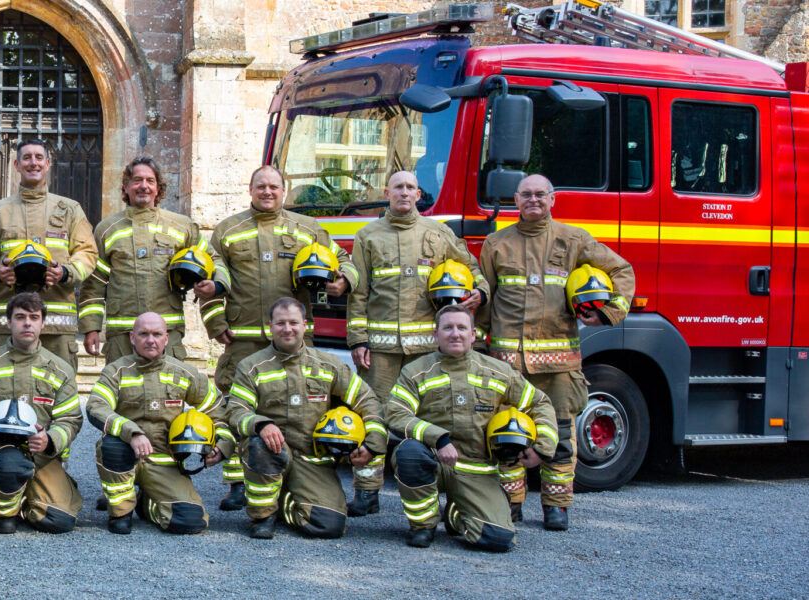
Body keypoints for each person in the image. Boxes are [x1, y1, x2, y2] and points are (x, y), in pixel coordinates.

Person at [476, 174, 635, 531]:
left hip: (559, 366)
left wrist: (608, 312)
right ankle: (510, 504)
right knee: (505, 437)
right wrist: (477, 348)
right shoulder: (496, 243)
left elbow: (622, 271)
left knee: (561, 439)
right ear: (516, 200)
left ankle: (557, 506)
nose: (533, 200)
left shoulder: (574, 240)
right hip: (507, 365)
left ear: (552, 199)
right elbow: (485, 302)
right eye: (526, 195)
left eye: (540, 194)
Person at [201, 165, 359, 511]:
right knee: (236, 406)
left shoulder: (307, 229)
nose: (267, 192)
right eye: (261, 186)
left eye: (274, 186)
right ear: (250, 189)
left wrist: (343, 281)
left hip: (295, 342)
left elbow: (344, 261)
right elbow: (211, 280)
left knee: (300, 406)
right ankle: (238, 483)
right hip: (242, 340)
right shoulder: (228, 231)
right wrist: (216, 326)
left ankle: (296, 476)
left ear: (283, 191)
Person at [344, 170, 486, 516]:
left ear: (418, 193)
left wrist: (480, 292)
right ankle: (367, 490)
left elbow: (471, 267)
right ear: (386, 192)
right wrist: (357, 339)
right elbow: (359, 293)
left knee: (432, 416)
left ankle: (440, 491)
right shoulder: (368, 235)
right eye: (398, 187)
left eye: (410, 187)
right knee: (372, 416)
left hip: (426, 351)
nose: (404, 193)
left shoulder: (438, 233)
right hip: (380, 350)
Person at [389, 305, 558, 551]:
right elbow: (395, 412)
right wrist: (438, 439)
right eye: (447, 328)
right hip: (434, 460)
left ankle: (456, 515)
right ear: (436, 335)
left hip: (477, 470)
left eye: (461, 328)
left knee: (498, 539)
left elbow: (539, 403)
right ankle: (423, 525)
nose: (455, 334)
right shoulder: (416, 372)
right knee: (409, 453)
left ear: (473, 334)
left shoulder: (498, 372)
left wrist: (543, 447)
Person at [224, 297, 385, 539]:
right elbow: (236, 410)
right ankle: (263, 515)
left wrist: (373, 442)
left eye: (293, 322)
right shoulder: (252, 366)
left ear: (305, 325)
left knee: (329, 526)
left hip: (313, 460)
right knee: (260, 444)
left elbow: (367, 401)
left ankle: (285, 502)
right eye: (280, 323)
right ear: (270, 326)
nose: (287, 329)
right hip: (274, 451)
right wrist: (261, 424)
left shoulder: (329, 365)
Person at [85, 312, 233, 534]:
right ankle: (121, 512)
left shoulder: (184, 373)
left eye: (157, 334)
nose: (150, 340)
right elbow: (96, 406)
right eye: (143, 334)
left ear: (167, 339)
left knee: (191, 522)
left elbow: (218, 410)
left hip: (165, 463)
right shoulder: (116, 372)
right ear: (132, 338)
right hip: (127, 456)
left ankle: (147, 504)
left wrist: (222, 446)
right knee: (112, 446)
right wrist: (132, 433)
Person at [0, 292, 83, 534]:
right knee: (9, 464)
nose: (27, 323)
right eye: (20, 317)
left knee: (59, 521)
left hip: (40, 456)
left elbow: (70, 419)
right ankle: (3, 514)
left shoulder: (61, 369)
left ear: (43, 324)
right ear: (8, 322)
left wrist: (50, 440)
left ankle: (23, 498)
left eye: (34, 317)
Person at [0, 138, 98, 370]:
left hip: (57, 329)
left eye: (39, 157)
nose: (33, 163)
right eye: (27, 158)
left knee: (57, 395)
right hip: (6, 328)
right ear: (17, 165)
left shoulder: (70, 210)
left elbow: (87, 254)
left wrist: (65, 273)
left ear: (48, 163)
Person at [80, 157, 214, 363]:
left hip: (167, 334)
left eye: (150, 181)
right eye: (137, 180)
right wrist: (91, 327)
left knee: (169, 392)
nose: (144, 186)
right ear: (126, 186)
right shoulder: (107, 230)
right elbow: (94, 283)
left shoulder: (183, 227)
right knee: (123, 391)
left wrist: (215, 286)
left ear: (159, 188)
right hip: (123, 336)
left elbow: (213, 261)